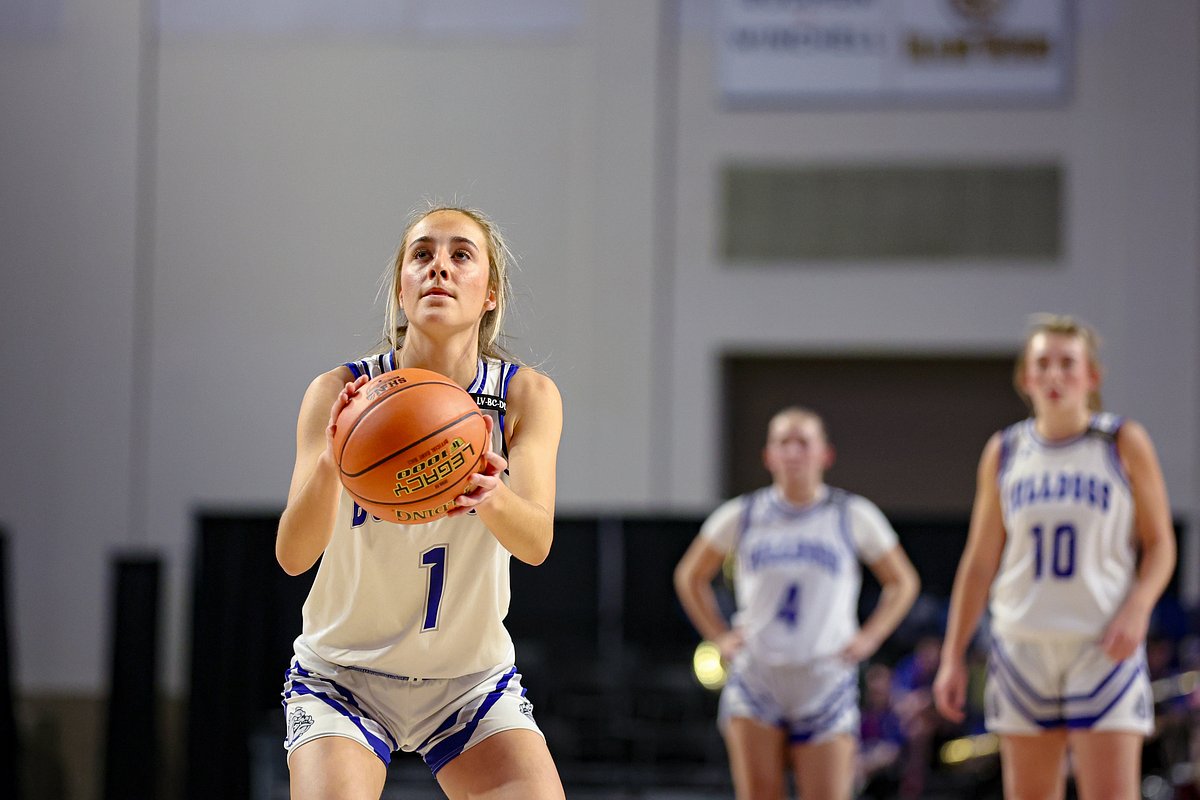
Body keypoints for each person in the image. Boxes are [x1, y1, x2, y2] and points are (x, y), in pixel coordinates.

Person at [276, 205, 566, 800]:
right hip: (344, 675)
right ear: (401, 289)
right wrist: (335, 459)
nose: (439, 268)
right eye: (421, 255)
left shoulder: (524, 396)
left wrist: (490, 494)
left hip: (468, 682)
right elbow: (292, 556)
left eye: (461, 255)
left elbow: (535, 544)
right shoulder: (338, 393)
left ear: (490, 293)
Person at [932, 314, 1176, 800]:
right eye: (1043, 363)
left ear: (1092, 377)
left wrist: (1138, 608)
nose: (1055, 374)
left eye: (1068, 363)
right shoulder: (1004, 451)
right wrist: (952, 656)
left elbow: (1161, 545)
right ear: (1026, 378)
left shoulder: (1121, 442)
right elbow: (980, 563)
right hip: (1024, 646)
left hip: (1102, 644)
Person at [674, 407, 920, 800]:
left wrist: (870, 638)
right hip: (758, 675)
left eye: (802, 441)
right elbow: (689, 576)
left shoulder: (852, 514)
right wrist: (719, 635)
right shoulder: (742, 514)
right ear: (768, 456)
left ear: (825, 454)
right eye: (782, 442)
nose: (793, 451)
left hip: (824, 676)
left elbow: (903, 582)